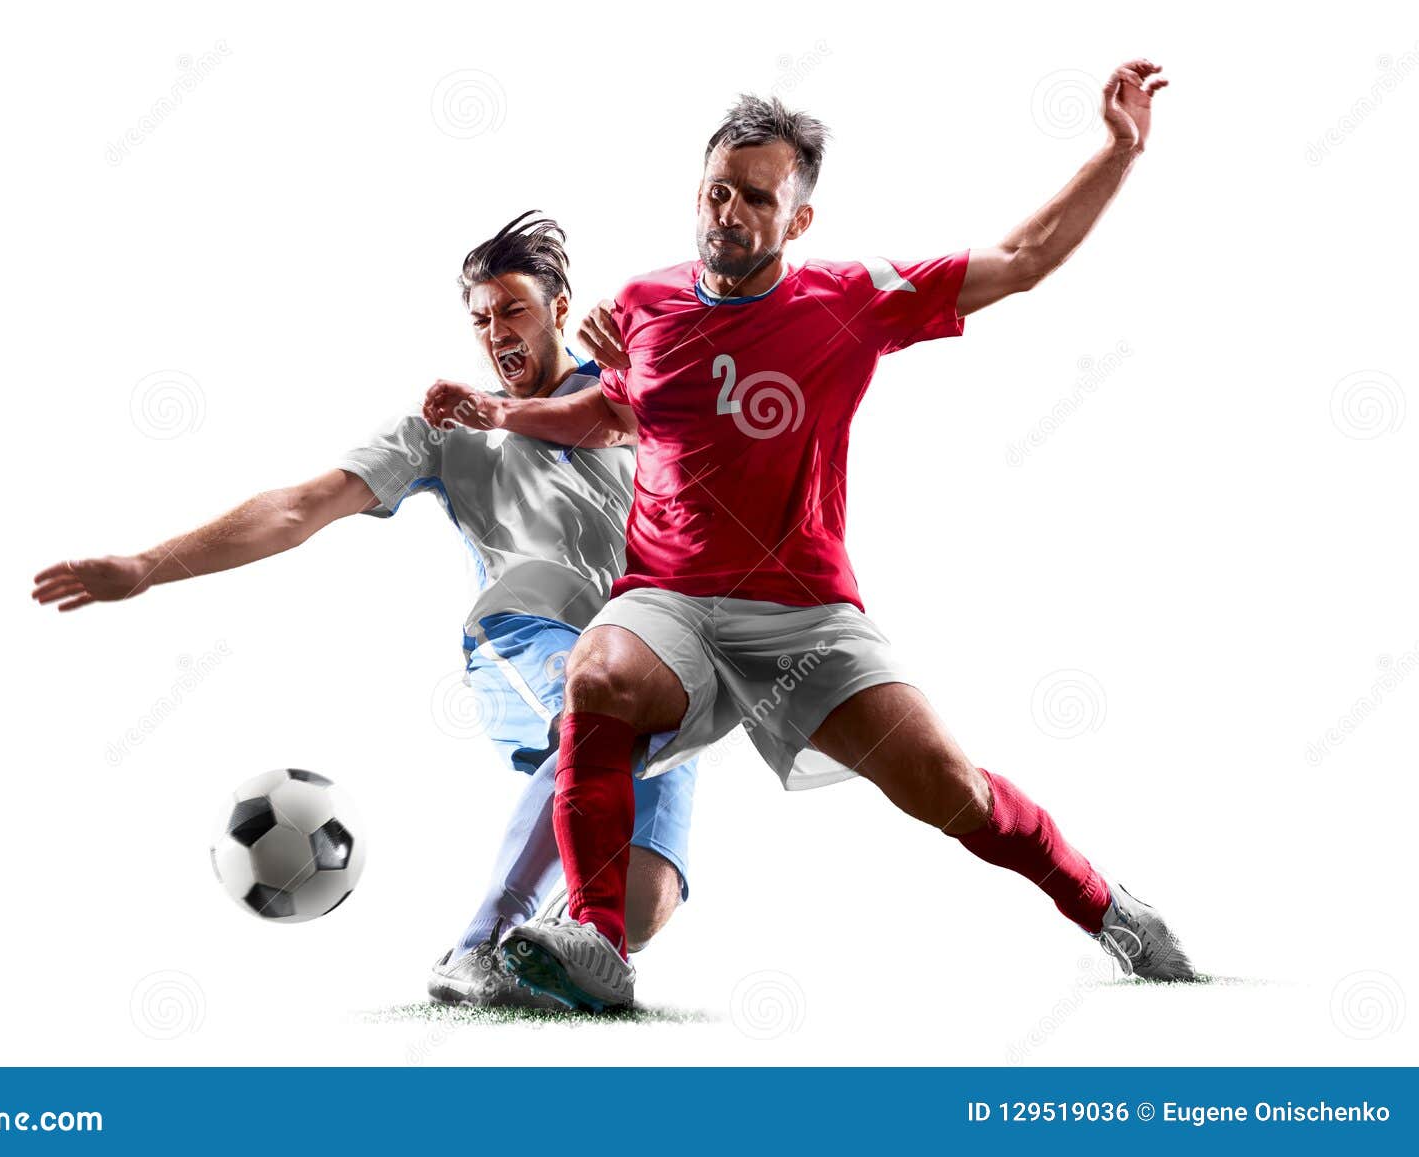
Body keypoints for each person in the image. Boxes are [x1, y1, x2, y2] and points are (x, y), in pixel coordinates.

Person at [423, 62, 1192, 1012]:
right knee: (598, 672)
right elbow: (610, 418)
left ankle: (1108, 906)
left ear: (797, 220)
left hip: (803, 613)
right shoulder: (645, 306)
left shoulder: (849, 298)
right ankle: (598, 940)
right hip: (668, 601)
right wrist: (501, 411)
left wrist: (1119, 149)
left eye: (756, 197)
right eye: (716, 191)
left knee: (953, 792)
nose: (728, 212)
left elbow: (1022, 259)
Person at [32, 212, 697, 1009]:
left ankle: (541, 952)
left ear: (561, 306)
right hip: (528, 635)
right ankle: (479, 944)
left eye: (513, 309)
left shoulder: (629, 393)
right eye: (480, 318)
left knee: (645, 899)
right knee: (596, 715)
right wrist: (147, 565)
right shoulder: (446, 428)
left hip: (654, 647)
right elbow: (299, 506)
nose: (495, 333)